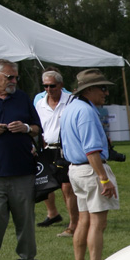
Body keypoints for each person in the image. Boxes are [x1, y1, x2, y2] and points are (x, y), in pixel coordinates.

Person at [60, 69, 120, 260]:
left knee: (83, 219)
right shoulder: (86, 112)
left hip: (76, 170)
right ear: (90, 90)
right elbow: (91, 150)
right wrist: (104, 179)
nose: (106, 93)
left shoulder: (70, 108)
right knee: (98, 223)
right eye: (102, 88)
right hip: (90, 170)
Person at [0, 58, 42, 260]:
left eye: (16, 77)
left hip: (22, 170)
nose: (14, 81)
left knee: (25, 218)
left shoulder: (21, 98)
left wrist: (26, 127)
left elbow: (38, 128)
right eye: (9, 77)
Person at [33, 69, 79, 238]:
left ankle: (73, 224)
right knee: (47, 185)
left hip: (65, 149)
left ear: (61, 85)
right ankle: (53, 214)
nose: (49, 89)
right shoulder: (40, 104)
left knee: (67, 188)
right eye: (45, 86)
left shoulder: (71, 101)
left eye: (52, 85)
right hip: (47, 150)